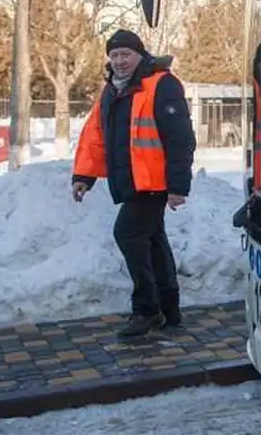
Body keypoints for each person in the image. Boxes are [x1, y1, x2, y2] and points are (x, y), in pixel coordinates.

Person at [71, 29, 197, 338]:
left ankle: (147, 310)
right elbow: (95, 135)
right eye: (114, 56)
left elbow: (180, 137)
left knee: (127, 234)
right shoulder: (112, 91)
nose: (119, 61)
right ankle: (169, 308)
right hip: (132, 182)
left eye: (125, 54)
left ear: (140, 55)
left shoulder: (161, 84)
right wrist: (84, 176)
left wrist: (178, 185)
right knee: (152, 240)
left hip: (153, 183)